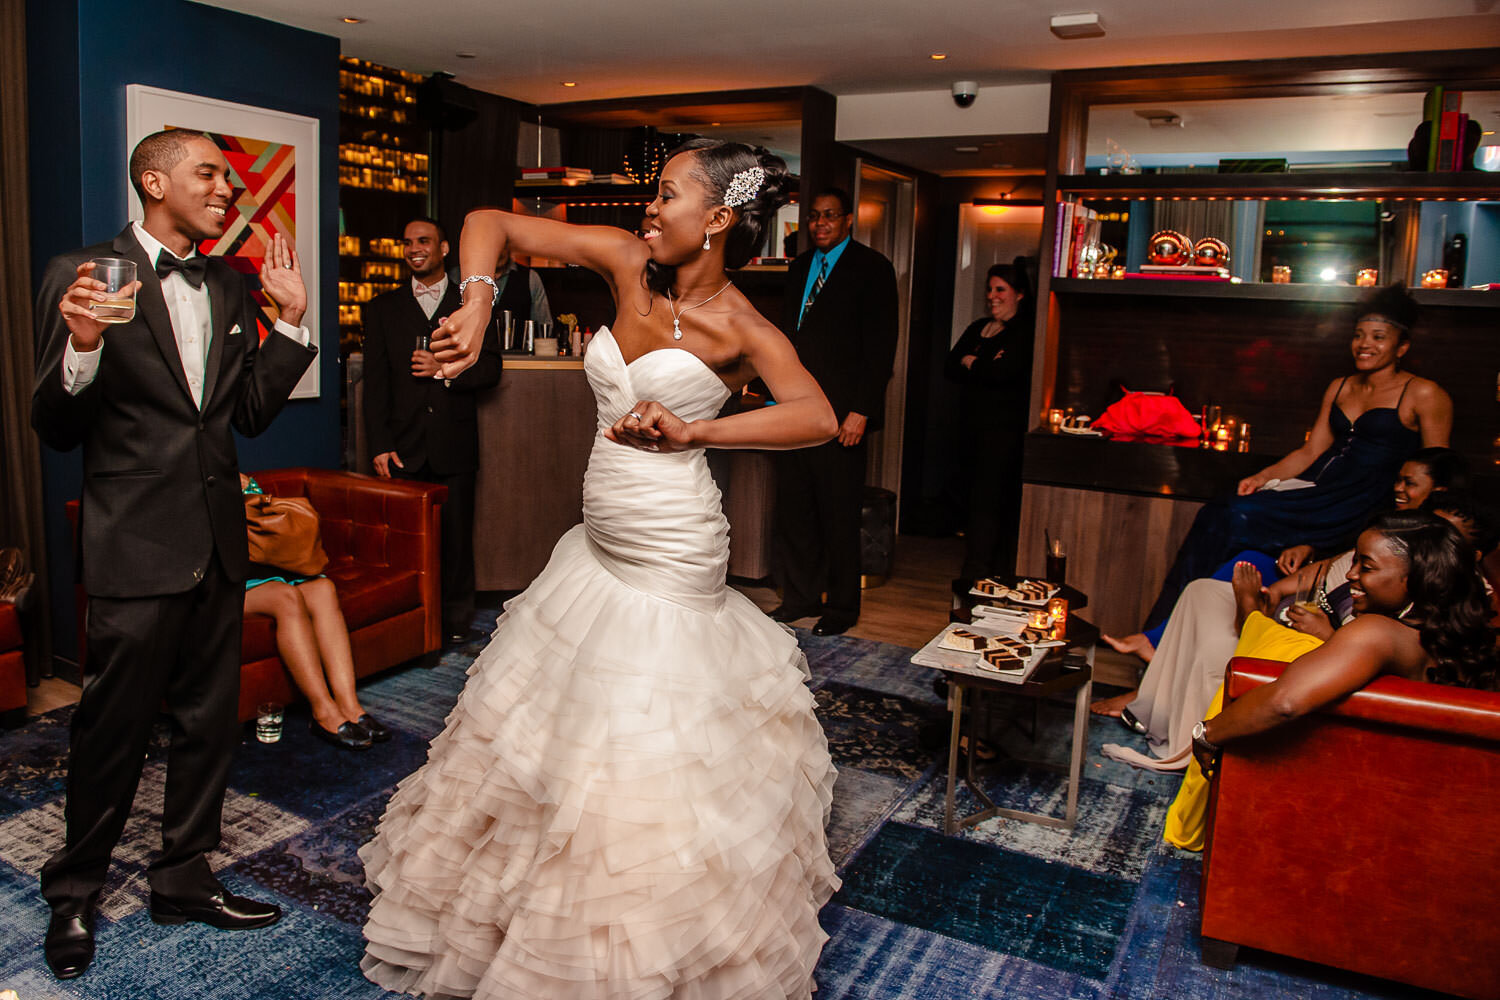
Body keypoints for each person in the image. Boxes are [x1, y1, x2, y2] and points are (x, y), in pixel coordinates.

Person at [359, 139, 841, 998]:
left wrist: (702, 431)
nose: (648, 211)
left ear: (720, 220)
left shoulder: (744, 327)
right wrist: (476, 302)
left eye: (666, 196)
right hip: (595, 547)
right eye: (651, 196)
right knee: (554, 737)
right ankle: (540, 901)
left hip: (671, 555)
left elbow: (815, 417)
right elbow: (489, 222)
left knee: (640, 745)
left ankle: (636, 939)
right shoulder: (626, 265)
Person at [30, 130, 316, 979]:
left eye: (229, 177)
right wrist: (81, 343)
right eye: (210, 174)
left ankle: (183, 877)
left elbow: (249, 414)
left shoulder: (231, 284)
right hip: (134, 544)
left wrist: (291, 326)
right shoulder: (84, 274)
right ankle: (74, 892)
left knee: (206, 726)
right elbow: (56, 427)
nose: (227, 188)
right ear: (154, 181)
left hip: (217, 544)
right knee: (110, 731)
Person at [1139, 283, 1452, 635]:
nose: (1365, 344)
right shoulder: (1340, 386)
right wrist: (1261, 478)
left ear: (1402, 346)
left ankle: (1164, 635)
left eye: (1379, 337)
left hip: (1365, 503)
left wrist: (1411, 524)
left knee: (1237, 516)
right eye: (1359, 335)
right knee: (1220, 513)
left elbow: (1439, 470)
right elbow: (1311, 450)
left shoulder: (1425, 393)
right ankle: (1162, 632)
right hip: (1319, 493)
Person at [1102, 491, 1491, 773]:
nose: (1352, 575)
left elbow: (1284, 701)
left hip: (1347, 770)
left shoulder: (1377, 633)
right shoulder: (1445, 630)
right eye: (1354, 563)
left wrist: (1206, 734)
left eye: (1367, 567)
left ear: (1417, 577)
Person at [1094, 447, 1470, 715]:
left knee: (1225, 619)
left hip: (1315, 640)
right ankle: (1152, 686)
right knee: (1216, 580)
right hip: (1311, 606)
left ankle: (1162, 697)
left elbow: (1289, 700)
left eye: (1410, 483)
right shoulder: (1383, 532)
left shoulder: (1400, 606)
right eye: (1398, 481)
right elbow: (1339, 563)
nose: (1398, 489)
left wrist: (1207, 736)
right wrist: (1286, 575)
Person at [362, 217, 503, 644]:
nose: (413, 248)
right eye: (407, 243)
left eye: (422, 241)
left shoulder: (473, 305)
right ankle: (411, 624)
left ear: (444, 248)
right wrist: (381, 445)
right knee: (406, 546)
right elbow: (376, 384)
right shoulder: (382, 308)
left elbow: (491, 370)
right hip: (403, 445)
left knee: (456, 541)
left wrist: (445, 372)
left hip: (453, 443)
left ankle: (456, 623)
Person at [768, 187, 898, 636]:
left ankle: (843, 607)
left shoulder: (873, 269)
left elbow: (881, 349)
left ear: (847, 221)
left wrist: (861, 410)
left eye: (829, 217)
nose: (820, 224)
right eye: (814, 218)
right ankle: (800, 596)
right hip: (794, 410)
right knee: (796, 509)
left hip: (843, 414)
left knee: (839, 514)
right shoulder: (801, 266)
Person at [240, 476, 387, 751]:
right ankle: (323, 710)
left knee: (323, 589)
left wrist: (245, 488)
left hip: (263, 569)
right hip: (227, 580)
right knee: (286, 598)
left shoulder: (228, 468)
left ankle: (349, 703)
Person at [944, 259, 1035, 588]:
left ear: (1019, 294)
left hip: (1003, 432)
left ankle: (981, 572)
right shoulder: (978, 328)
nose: (992, 296)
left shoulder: (1024, 332)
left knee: (991, 499)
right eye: (990, 289)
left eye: (1001, 290)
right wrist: (978, 364)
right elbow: (951, 366)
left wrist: (974, 362)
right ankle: (977, 565)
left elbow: (1004, 373)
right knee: (970, 495)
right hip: (971, 427)